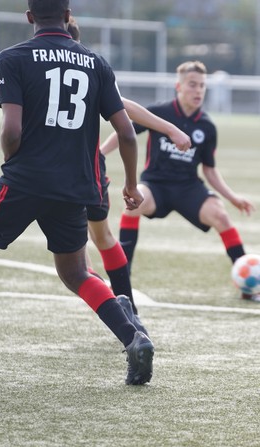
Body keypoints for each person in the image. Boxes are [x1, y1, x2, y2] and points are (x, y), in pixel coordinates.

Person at [0, 0, 154, 385]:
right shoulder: (96, 63)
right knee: (76, 273)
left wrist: (14, 164)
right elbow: (127, 133)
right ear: (68, 16)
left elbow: (11, 131)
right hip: (75, 189)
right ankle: (133, 336)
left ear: (30, 16)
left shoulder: (13, 58)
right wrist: (131, 184)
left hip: (24, 183)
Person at [100, 61, 260, 303]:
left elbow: (209, 170)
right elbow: (123, 130)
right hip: (156, 185)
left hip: (189, 188)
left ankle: (248, 286)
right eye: (192, 85)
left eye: (202, 86)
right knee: (132, 204)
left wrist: (233, 198)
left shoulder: (207, 126)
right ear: (178, 86)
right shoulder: (159, 112)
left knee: (220, 215)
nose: (198, 90)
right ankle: (122, 278)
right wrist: (101, 154)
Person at [67, 16, 191, 316]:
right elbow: (124, 109)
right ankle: (128, 311)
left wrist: (170, 130)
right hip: (87, 165)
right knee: (99, 237)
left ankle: (122, 309)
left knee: (76, 255)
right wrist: (171, 129)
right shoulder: (90, 65)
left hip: (49, 167)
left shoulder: (33, 60)